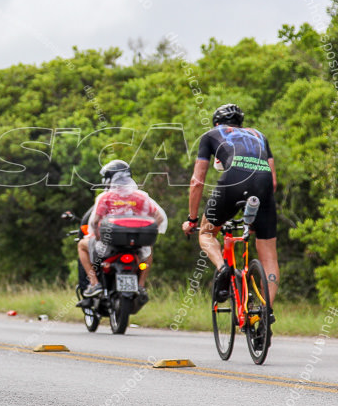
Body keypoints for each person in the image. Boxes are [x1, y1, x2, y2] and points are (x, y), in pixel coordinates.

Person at [182, 103, 279, 315]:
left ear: (217, 123)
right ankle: (266, 312)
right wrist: (253, 218)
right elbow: (273, 182)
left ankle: (223, 268)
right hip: (263, 186)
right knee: (269, 256)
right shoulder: (259, 135)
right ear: (240, 124)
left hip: (233, 180)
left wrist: (192, 218)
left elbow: (197, 181)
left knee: (207, 233)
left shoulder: (211, 135)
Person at [76, 160, 168, 307]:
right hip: (135, 246)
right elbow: (159, 217)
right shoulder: (141, 197)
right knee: (149, 251)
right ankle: (141, 285)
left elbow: (95, 222)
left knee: (81, 245)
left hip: (109, 247)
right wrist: (148, 230)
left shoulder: (106, 198)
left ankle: (94, 283)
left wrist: (98, 237)